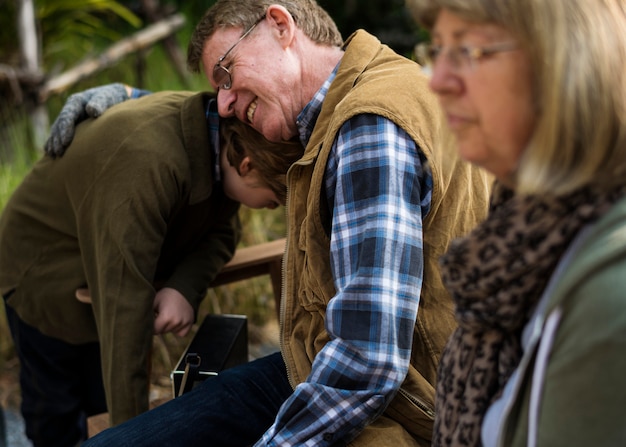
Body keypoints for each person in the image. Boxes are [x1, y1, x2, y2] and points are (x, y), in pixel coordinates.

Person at [58, 1, 493, 445]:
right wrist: (131, 98)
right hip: (361, 367)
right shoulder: (392, 84)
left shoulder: (368, 128)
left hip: (413, 404)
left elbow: (368, 359)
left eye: (225, 75)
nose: (224, 103)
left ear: (280, 25)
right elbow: (209, 125)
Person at [0, 89, 304, 447]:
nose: (276, 207)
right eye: (274, 197)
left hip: (108, 268)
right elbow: (123, 310)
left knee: (103, 400)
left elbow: (223, 231)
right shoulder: (146, 164)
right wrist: (138, 437)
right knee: (56, 411)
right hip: (42, 272)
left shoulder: (220, 143)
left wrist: (183, 288)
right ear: (248, 165)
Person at [404, 0, 626, 446]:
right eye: (438, 51)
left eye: (468, 51)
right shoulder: (523, 226)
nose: (439, 81)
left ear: (562, 63)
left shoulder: (610, 295)